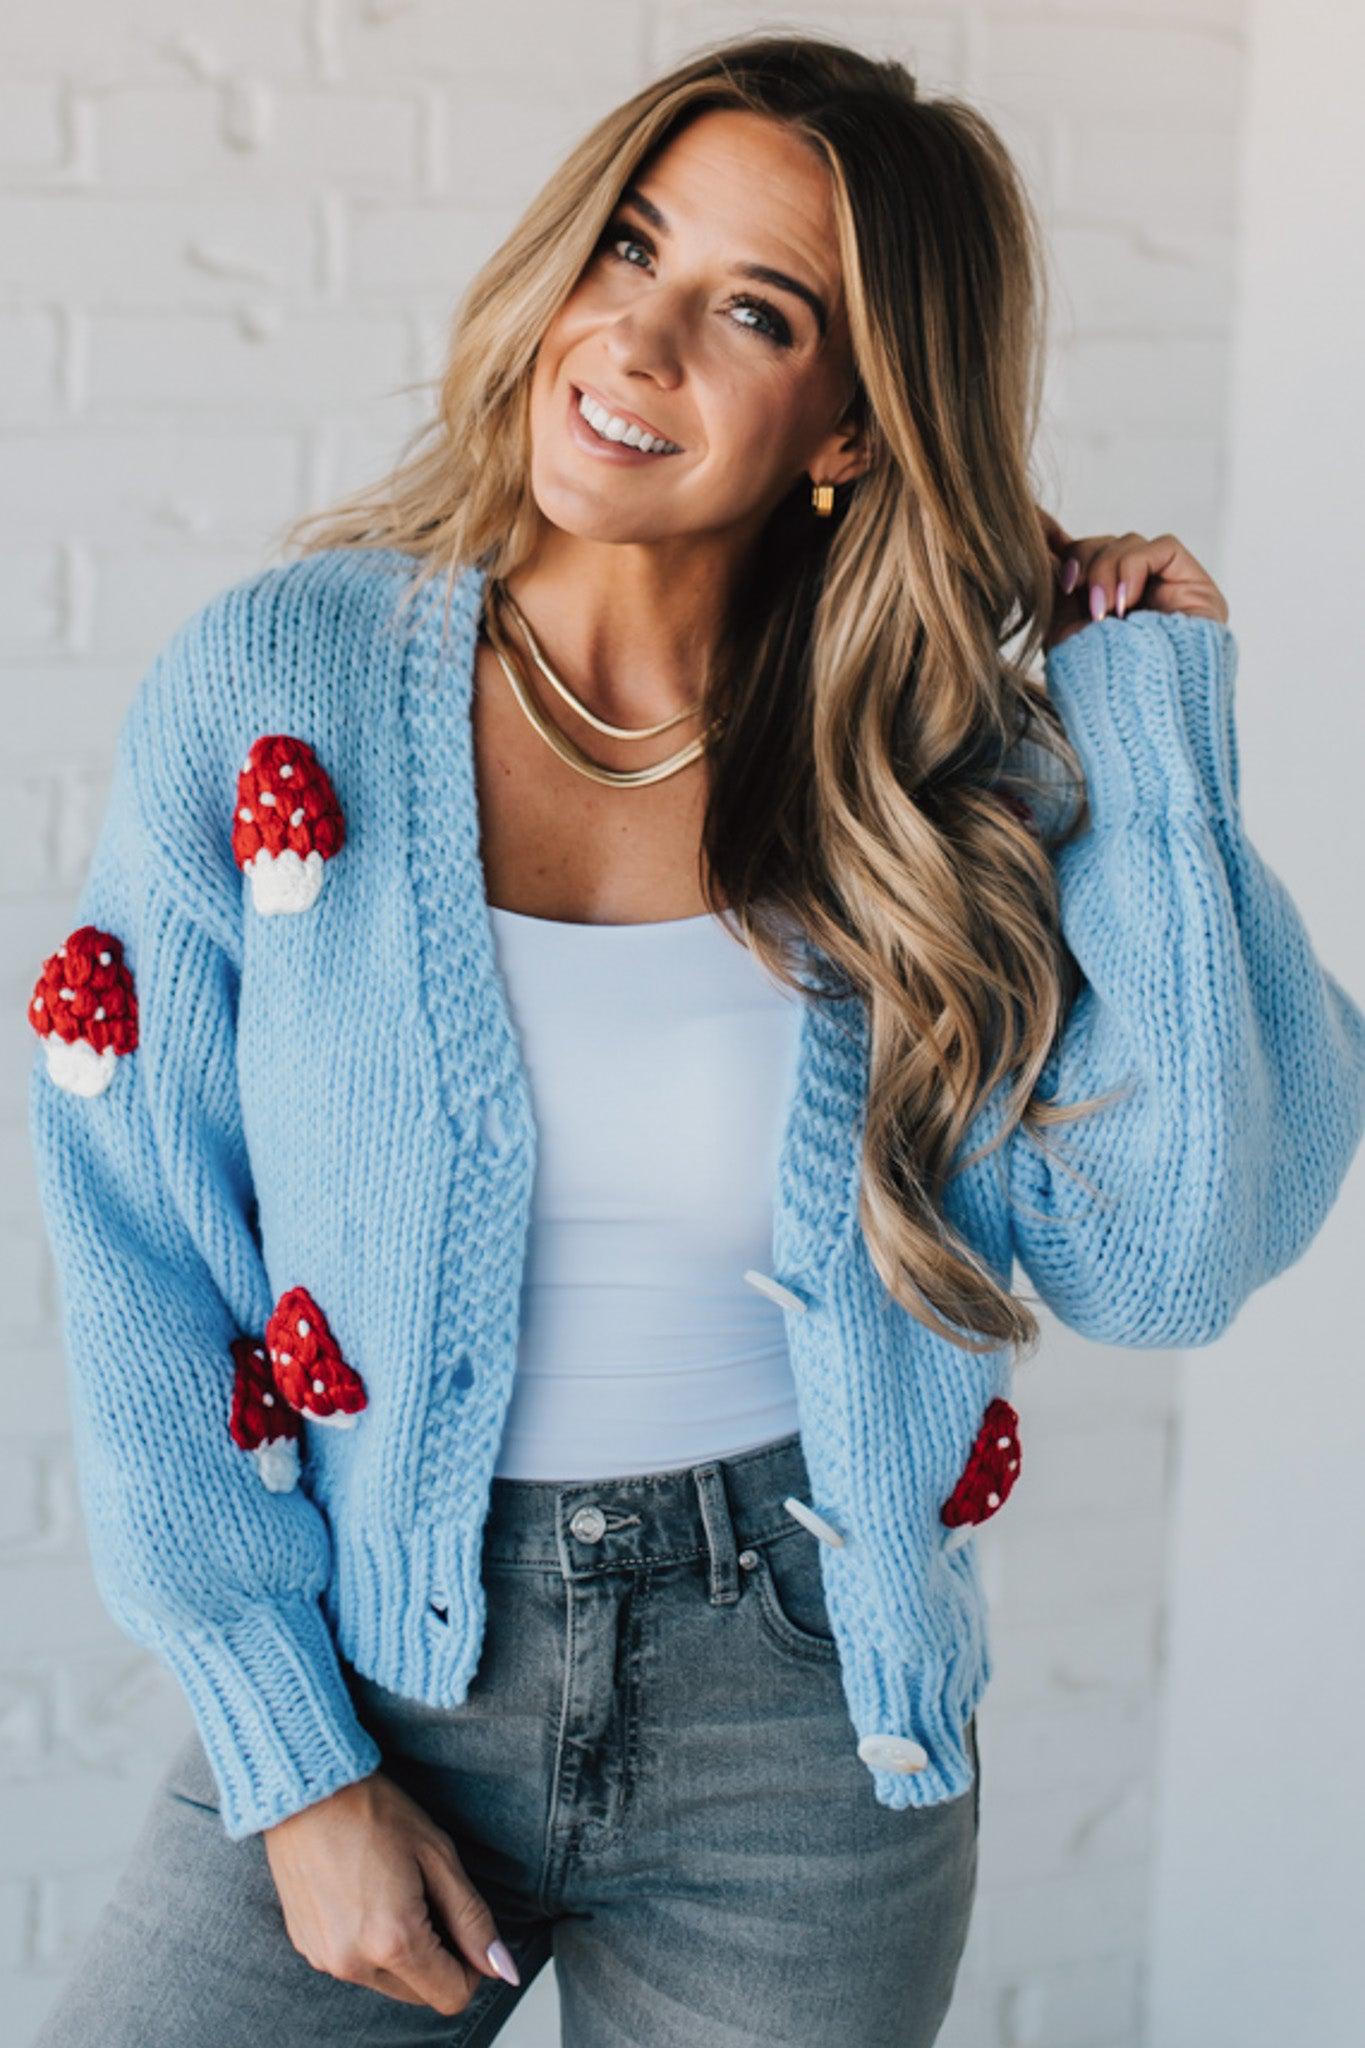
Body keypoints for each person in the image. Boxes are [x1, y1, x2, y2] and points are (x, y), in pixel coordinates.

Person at [23, 31, 1365, 2048]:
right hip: (372, 1664)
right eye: (630, 247)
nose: (635, 340)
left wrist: (1149, 734)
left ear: (850, 424)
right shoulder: (280, 686)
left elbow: (1169, 1256)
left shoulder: (938, 785)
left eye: (753, 312)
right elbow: (137, 1232)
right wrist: (291, 1764)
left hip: (805, 1738)